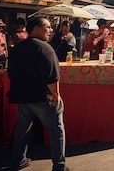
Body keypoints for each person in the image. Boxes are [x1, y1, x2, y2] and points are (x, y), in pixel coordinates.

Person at [7, 17, 67, 171]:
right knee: (56, 130)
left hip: (22, 96)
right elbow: (52, 76)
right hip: (42, 97)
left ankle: (18, 160)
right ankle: (59, 166)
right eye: (47, 27)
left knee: (22, 129)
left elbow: (11, 73)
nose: (51, 30)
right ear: (36, 28)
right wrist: (56, 95)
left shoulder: (17, 48)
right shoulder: (45, 48)